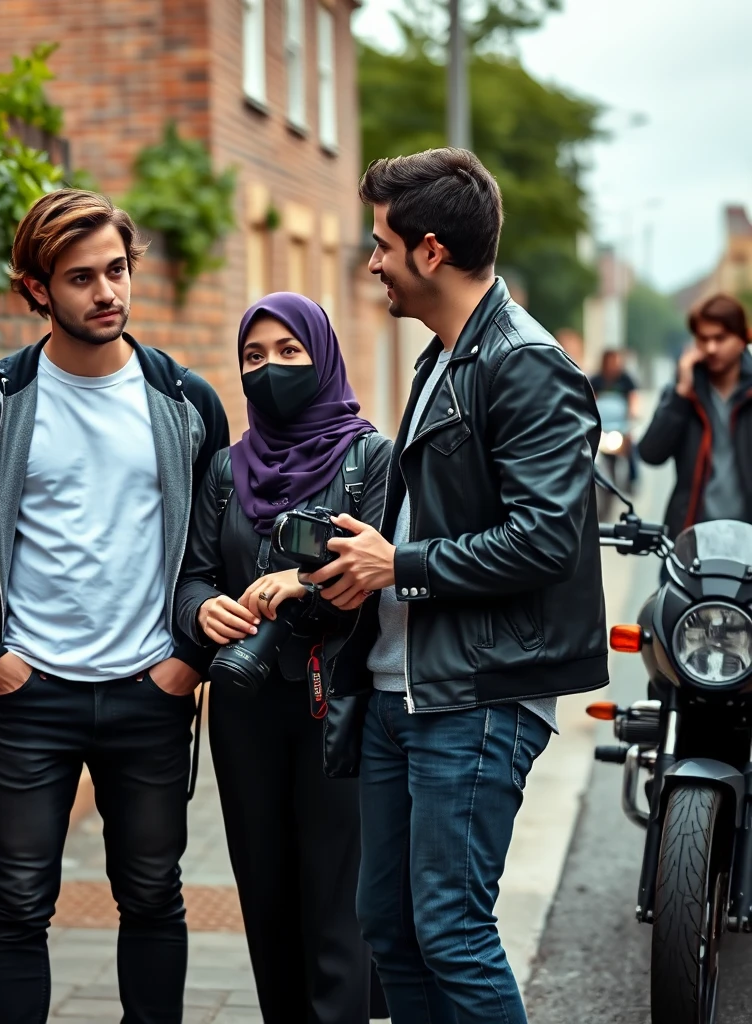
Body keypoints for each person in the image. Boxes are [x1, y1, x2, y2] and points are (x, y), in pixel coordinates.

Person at [307, 149, 607, 1024]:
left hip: (475, 695)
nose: (372, 264)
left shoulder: (524, 363)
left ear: (429, 251)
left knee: (450, 929)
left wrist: (398, 566)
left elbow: (547, 538)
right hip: (406, 688)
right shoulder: (442, 357)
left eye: (382, 246)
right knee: (389, 928)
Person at [0, 189, 228, 1024]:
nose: (106, 293)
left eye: (117, 271)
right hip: (33, 695)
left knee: (155, 894)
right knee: (18, 903)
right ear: (36, 288)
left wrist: (188, 662)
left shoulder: (186, 403)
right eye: (81, 277)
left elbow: (221, 546)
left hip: (149, 689)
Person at [175, 293, 392, 1024]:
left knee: (337, 905)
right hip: (245, 705)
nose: (271, 369)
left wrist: (303, 582)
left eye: (290, 352)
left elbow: (384, 580)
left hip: (337, 707)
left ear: (323, 355)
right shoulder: (225, 470)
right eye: (254, 356)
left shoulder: (370, 460)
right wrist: (203, 610)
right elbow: (192, 576)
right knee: (266, 901)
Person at [638, 293, 752, 536]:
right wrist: (681, 393)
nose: (711, 348)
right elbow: (651, 453)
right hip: (692, 539)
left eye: (720, 338)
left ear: (743, 338)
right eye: (703, 339)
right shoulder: (684, 392)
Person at [589, 348, 640, 487]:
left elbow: (633, 398)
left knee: (632, 446)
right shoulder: (596, 380)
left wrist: (633, 412)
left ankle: (633, 478)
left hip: (621, 426)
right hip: (602, 426)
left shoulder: (626, 379)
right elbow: (590, 398)